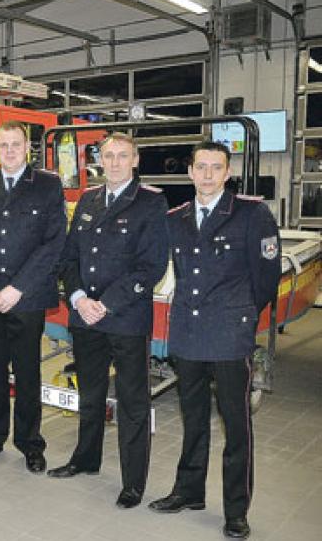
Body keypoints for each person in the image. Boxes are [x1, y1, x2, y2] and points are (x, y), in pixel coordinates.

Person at [149, 141, 281, 540]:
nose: (207, 174)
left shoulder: (251, 214)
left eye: (216, 167)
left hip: (228, 337)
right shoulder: (176, 218)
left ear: (228, 173)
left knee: (236, 426)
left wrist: (238, 317)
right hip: (188, 335)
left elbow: (265, 280)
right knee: (193, 422)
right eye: (200, 167)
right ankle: (188, 492)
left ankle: (236, 511)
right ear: (190, 172)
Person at [47, 133, 169, 509]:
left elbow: (152, 266)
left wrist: (106, 304)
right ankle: (86, 459)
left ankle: (133, 482)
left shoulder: (151, 202)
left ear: (135, 160)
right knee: (91, 394)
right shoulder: (88, 200)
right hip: (86, 318)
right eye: (107, 156)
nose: (113, 162)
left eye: (122, 156)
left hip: (126, 319)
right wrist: (80, 298)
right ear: (98, 160)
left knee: (132, 402)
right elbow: (69, 258)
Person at [0, 120, 66, 473]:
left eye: (16, 144)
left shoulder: (48, 185)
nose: (9, 150)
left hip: (28, 297)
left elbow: (54, 242)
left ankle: (29, 442)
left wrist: (18, 287)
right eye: (3, 144)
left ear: (27, 147)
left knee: (26, 373)